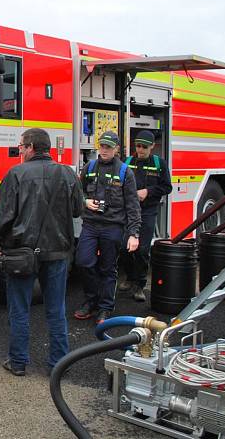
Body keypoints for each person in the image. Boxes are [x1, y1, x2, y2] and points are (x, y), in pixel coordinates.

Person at [0, 128, 84, 376]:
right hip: (58, 252)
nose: (20, 151)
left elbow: (2, 216)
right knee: (56, 310)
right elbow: (77, 210)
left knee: (19, 310)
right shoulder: (67, 173)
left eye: (21, 147)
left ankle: (18, 362)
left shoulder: (15, 174)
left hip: (22, 253)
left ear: (30, 147)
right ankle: (58, 364)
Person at [74, 131, 141, 324]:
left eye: (108, 147)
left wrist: (133, 234)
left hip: (113, 226)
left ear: (116, 149)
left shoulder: (124, 171)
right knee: (84, 261)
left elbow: (133, 205)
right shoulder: (90, 166)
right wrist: (85, 202)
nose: (104, 150)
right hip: (91, 224)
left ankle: (105, 307)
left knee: (108, 268)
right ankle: (91, 300)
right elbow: (77, 191)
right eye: (102, 146)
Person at [118, 130, 172, 302]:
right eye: (138, 146)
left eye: (144, 147)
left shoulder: (159, 163)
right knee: (124, 247)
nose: (140, 150)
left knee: (142, 249)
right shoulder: (127, 162)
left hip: (148, 210)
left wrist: (148, 191)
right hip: (128, 211)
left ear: (152, 147)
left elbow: (167, 187)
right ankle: (129, 277)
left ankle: (140, 285)